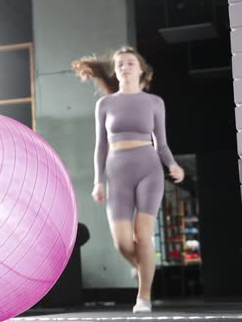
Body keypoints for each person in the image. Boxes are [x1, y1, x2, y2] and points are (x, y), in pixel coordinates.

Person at [71, 46, 184, 313]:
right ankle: (141, 266)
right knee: (121, 242)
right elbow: (100, 146)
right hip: (116, 172)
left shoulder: (154, 102)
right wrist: (98, 181)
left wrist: (173, 164)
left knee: (142, 236)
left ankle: (143, 297)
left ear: (140, 69)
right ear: (116, 71)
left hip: (149, 170)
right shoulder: (105, 104)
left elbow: (162, 144)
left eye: (130, 63)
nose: (124, 67)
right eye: (120, 64)